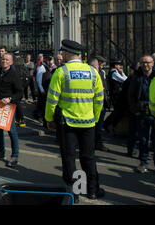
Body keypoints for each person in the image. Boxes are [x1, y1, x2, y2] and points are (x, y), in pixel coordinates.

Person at [45, 39, 105, 202]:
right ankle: (92, 190)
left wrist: (49, 119)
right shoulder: (93, 72)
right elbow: (99, 99)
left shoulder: (61, 72)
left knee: (69, 157)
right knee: (88, 157)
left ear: (68, 53)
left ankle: (75, 193)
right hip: (88, 122)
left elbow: (52, 100)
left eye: (63, 53)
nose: (61, 55)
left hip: (68, 123)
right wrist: (96, 118)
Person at [0, 53, 22, 167]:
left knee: (11, 131)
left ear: (11, 62)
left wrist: (10, 99)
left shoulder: (14, 74)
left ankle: (15, 156)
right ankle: (1, 152)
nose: (4, 61)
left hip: (9, 105)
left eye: (7, 60)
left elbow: (20, 92)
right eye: (3, 59)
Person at [127, 55, 155, 173]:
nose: (145, 65)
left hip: (154, 113)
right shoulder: (136, 77)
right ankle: (143, 162)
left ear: (152, 63)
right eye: (143, 62)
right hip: (142, 112)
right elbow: (131, 95)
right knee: (143, 139)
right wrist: (135, 110)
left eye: (148, 62)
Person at [89, 56, 110, 152]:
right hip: (92, 104)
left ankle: (97, 141)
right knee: (93, 125)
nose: (100, 66)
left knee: (99, 124)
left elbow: (104, 86)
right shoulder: (90, 74)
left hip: (101, 102)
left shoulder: (101, 72)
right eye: (98, 64)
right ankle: (93, 142)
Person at [35, 55, 53, 128]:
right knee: (43, 106)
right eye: (48, 59)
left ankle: (45, 121)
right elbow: (38, 79)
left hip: (47, 88)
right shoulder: (41, 67)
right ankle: (44, 122)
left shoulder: (47, 66)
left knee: (45, 106)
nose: (49, 61)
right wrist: (41, 89)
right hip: (43, 89)